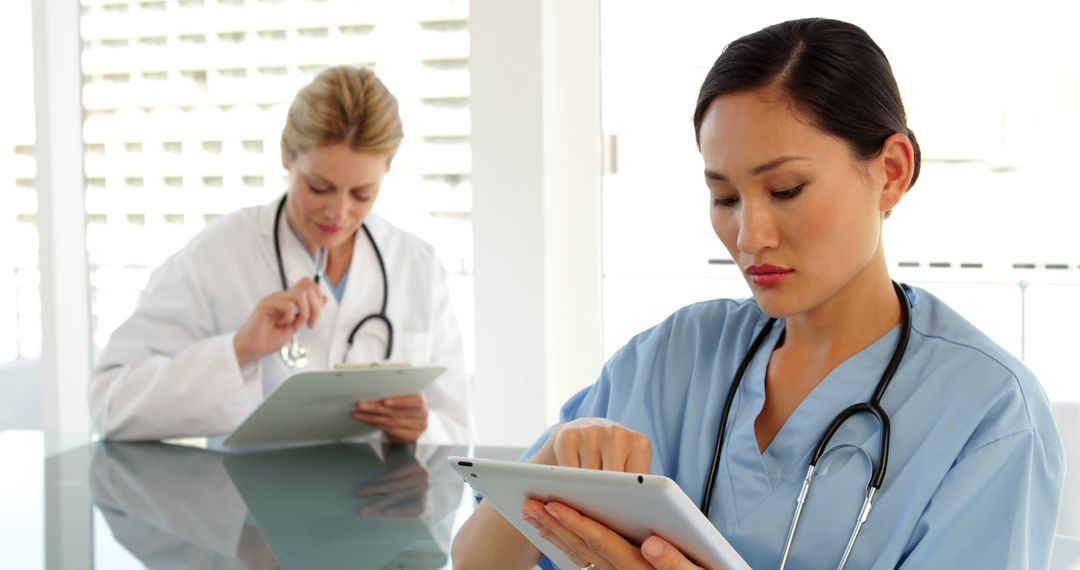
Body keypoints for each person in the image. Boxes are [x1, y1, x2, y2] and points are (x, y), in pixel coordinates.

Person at [452, 18, 1064, 569]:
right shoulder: (674, 356)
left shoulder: (989, 413)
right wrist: (554, 456)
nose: (750, 235)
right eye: (724, 197)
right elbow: (474, 562)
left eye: (787, 189)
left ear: (893, 171)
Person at [89, 66, 471, 445]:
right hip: (247, 502)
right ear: (287, 154)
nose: (338, 213)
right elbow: (111, 403)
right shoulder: (217, 256)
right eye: (319, 187)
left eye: (362, 194)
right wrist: (240, 350)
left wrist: (422, 429)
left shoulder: (417, 265)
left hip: (384, 501)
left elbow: (455, 424)